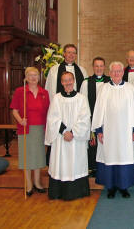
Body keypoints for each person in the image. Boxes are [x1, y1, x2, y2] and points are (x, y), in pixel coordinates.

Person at [92, 62, 134, 199]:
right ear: (110, 73)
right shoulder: (104, 89)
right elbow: (98, 111)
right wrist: (99, 130)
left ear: (122, 72)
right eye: (113, 71)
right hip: (108, 131)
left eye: (119, 71)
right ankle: (111, 187)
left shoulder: (130, 88)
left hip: (125, 132)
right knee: (110, 157)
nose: (116, 74)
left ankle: (124, 186)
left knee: (124, 156)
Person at [45, 71, 91, 200]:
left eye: (70, 80)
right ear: (61, 82)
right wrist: (65, 131)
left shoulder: (81, 98)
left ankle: (77, 191)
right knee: (61, 163)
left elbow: (85, 118)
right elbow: (52, 118)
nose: (68, 83)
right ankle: (59, 192)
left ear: (74, 80)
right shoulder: (57, 98)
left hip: (76, 139)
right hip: (61, 138)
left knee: (76, 164)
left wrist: (73, 132)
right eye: (65, 80)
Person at [10, 67, 50, 196]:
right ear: (26, 77)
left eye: (36, 75)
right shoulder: (20, 91)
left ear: (39, 77)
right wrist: (20, 120)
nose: (33, 78)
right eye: (30, 75)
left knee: (38, 156)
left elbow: (49, 112)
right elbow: (14, 110)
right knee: (27, 157)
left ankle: (37, 182)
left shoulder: (44, 93)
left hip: (40, 129)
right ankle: (28, 184)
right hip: (25, 128)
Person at [80, 57, 110, 177]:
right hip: (92, 118)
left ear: (104, 67)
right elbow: (83, 102)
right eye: (96, 66)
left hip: (107, 120)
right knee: (93, 143)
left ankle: (106, 166)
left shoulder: (110, 82)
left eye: (101, 66)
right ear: (93, 67)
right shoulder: (86, 82)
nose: (99, 68)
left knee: (105, 143)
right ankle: (93, 167)